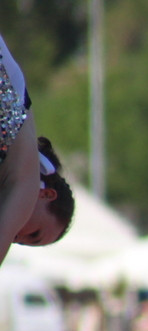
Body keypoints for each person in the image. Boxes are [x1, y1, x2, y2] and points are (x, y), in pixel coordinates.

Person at [0, 31, 75, 258]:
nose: (17, 238)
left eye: (23, 243)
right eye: (34, 234)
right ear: (46, 195)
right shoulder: (27, 183)